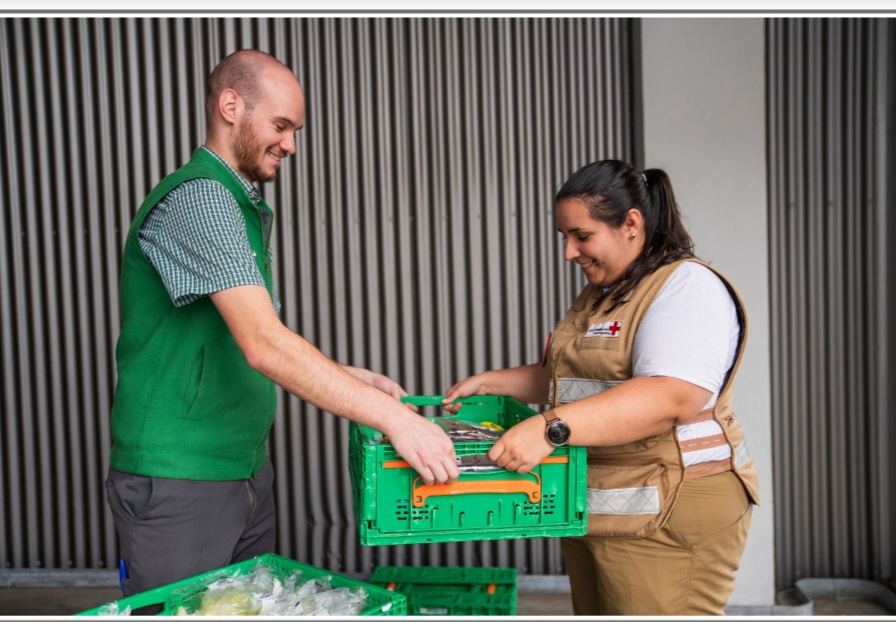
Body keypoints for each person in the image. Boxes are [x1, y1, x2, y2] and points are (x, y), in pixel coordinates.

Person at [105, 49, 458, 601]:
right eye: (281, 125)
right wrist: (395, 419)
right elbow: (264, 345)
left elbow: (240, 333)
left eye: (294, 129)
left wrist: (345, 375)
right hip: (181, 479)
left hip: (242, 469)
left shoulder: (237, 204)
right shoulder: (201, 198)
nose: (291, 144)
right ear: (230, 106)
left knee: (245, 609)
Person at [442, 159, 760, 616]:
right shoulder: (606, 291)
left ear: (631, 223)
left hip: (670, 509)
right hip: (604, 504)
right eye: (565, 237)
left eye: (582, 236)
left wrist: (547, 429)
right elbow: (571, 378)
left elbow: (671, 396)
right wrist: (490, 383)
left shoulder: (685, 288)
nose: (569, 253)